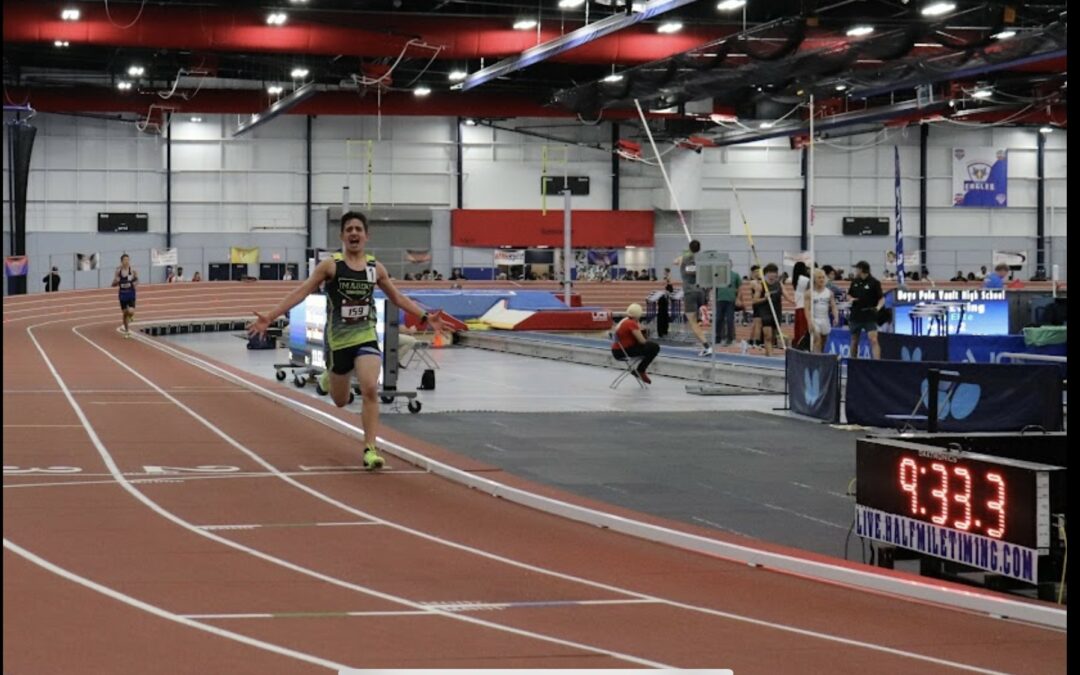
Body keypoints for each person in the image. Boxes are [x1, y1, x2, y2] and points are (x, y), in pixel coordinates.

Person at [248, 211, 446, 471]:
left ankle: (370, 449)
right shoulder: (330, 266)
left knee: (369, 388)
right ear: (342, 236)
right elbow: (302, 291)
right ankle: (328, 376)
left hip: (366, 336)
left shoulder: (375, 268)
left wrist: (424, 316)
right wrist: (270, 316)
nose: (354, 233)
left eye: (358, 229)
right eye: (349, 229)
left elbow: (397, 297)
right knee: (340, 401)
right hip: (338, 342)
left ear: (366, 236)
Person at [674, 239, 712, 356]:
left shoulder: (683, 259)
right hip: (701, 292)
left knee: (692, 322)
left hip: (690, 292)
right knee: (696, 320)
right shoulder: (702, 259)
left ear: (689, 248)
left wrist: (685, 255)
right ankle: (702, 317)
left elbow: (675, 261)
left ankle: (707, 346)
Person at [611, 303, 660, 384]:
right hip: (624, 351)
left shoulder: (625, 320)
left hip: (617, 350)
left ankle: (640, 370)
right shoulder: (631, 323)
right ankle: (640, 370)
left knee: (650, 347)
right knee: (655, 347)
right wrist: (644, 333)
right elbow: (642, 341)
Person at [848, 260, 883, 360]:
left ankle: (877, 363)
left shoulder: (875, 283)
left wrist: (878, 307)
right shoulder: (854, 282)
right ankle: (853, 361)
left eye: (857, 268)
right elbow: (849, 294)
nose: (855, 270)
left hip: (869, 315)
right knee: (854, 340)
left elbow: (881, 298)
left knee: (873, 339)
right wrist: (850, 298)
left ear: (861, 269)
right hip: (856, 314)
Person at [751, 263, 786, 357]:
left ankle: (767, 354)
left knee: (773, 337)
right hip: (765, 313)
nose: (772, 274)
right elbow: (754, 301)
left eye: (774, 272)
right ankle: (770, 356)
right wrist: (765, 298)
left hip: (776, 312)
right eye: (770, 272)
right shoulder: (761, 285)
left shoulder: (779, 285)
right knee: (768, 336)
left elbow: (788, 296)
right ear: (766, 274)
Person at [806, 269, 837, 353]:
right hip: (815, 319)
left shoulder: (829, 293)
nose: (821, 279)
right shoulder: (809, 293)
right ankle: (816, 360)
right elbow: (806, 309)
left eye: (823, 277)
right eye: (819, 278)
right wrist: (809, 322)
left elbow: (833, 306)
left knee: (823, 342)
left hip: (825, 320)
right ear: (815, 279)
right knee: (817, 339)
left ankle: (820, 357)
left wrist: (836, 317)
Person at [714, 263, 743, 347]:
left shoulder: (735, 275)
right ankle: (718, 337)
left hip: (730, 300)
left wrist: (738, 298)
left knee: (730, 320)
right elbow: (715, 287)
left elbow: (740, 288)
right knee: (719, 319)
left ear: (731, 265)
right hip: (720, 300)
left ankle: (730, 338)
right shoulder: (718, 275)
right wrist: (715, 298)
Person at [111, 253, 138, 338]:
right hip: (122, 295)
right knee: (125, 313)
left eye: (128, 260)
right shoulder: (118, 271)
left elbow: (137, 280)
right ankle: (127, 331)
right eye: (125, 260)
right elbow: (113, 284)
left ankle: (131, 316)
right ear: (121, 261)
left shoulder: (133, 270)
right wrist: (116, 281)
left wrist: (135, 283)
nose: (126, 261)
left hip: (131, 293)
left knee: (130, 311)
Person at [791, 261, 811, 350]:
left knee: (798, 329)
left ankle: (797, 344)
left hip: (798, 306)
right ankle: (802, 345)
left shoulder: (795, 279)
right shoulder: (804, 279)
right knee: (803, 329)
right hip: (804, 306)